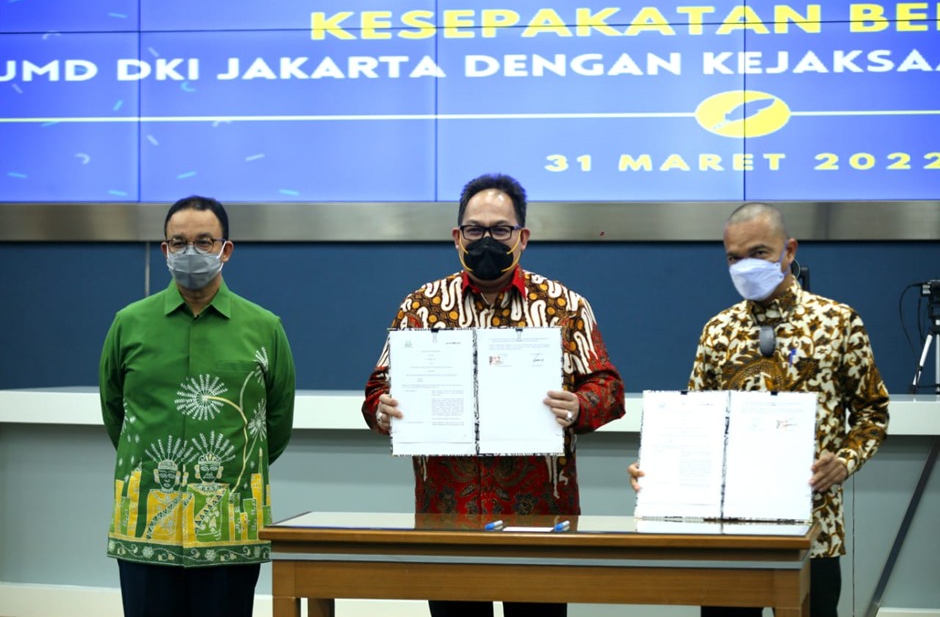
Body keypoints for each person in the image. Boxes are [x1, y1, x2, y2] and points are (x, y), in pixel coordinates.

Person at [362, 173, 625, 617]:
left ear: (522, 237)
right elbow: (377, 390)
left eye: (501, 230)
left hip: (540, 514)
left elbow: (610, 388)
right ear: (457, 237)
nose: (487, 241)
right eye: (475, 230)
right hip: (447, 513)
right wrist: (382, 410)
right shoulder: (420, 307)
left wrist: (581, 406)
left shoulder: (565, 306)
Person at [629, 202, 889, 617]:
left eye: (759, 253)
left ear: (789, 250)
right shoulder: (718, 331)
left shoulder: (839, 323)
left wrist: (845, 460)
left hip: (814, 528)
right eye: (734, 258)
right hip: (728, 535)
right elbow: (693, 420)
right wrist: (657, 471)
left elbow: (873, 412)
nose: (745, 266)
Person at [99, 195, 296, 617]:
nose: (191, 251)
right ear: (164, 249)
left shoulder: (264, 328)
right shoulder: (128, 324)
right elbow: (115, 412)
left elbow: (276, 425)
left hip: (227, 530)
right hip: (148, 530)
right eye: (179, 242)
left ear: (226, 249)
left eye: (204, 241)